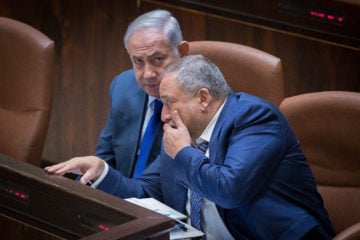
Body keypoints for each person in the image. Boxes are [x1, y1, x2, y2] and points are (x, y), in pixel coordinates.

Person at [45, 55, 335, 239]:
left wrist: (184, 153)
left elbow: (229, 191)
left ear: (204, 99)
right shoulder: (183, 131)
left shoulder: (253, 119)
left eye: (169, 103)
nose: (163, 115)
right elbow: (145, 192)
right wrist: (102, 171)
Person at [69, 9, 189, 178]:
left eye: (157, 59)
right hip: (120, 196)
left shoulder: (199, 104)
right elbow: (105, 158)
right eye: (138, 61)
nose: (148, 74)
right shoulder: (123, 87)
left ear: (182, 52)